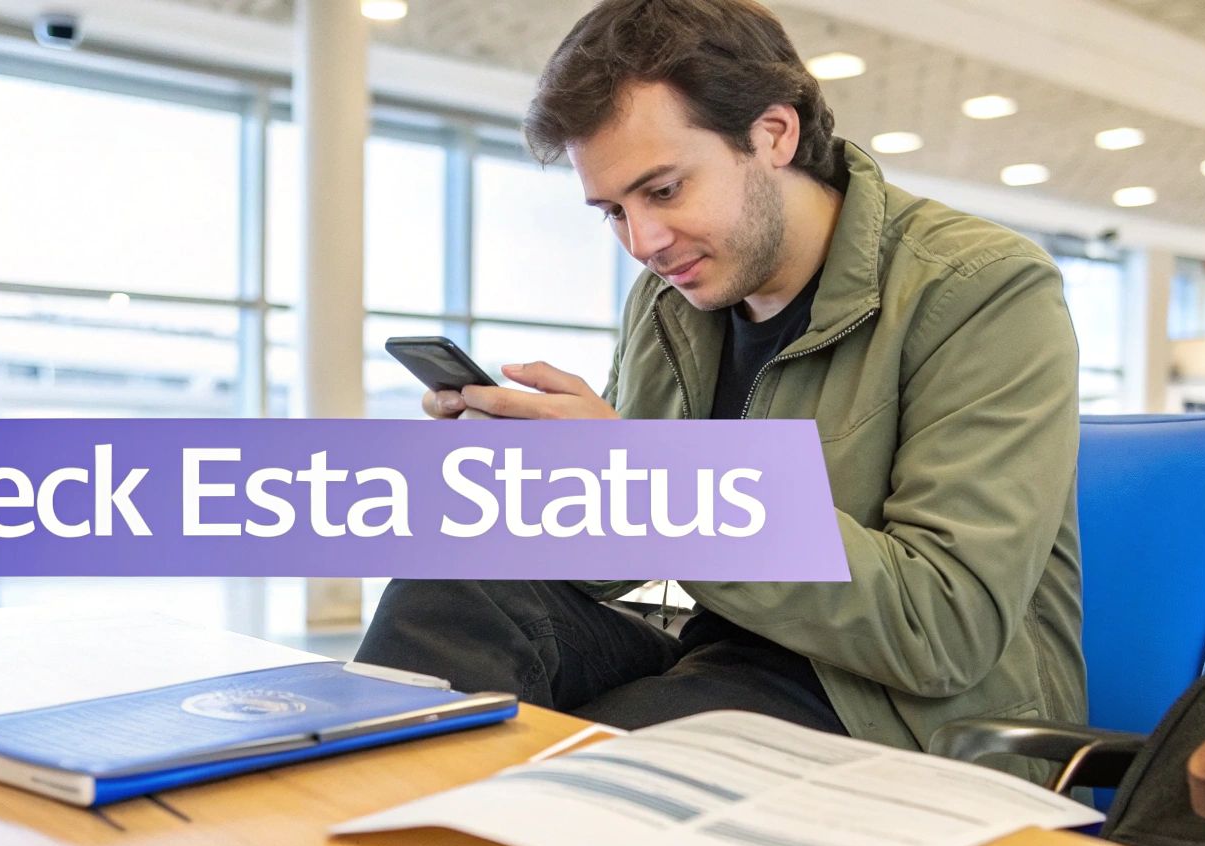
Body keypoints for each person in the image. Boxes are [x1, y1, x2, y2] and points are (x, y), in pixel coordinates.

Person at [356, 0, 1085, 775]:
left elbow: (941, 629)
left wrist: (658, 483)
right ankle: (352, 818)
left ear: (774, 134)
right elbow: (624, 565)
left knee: (587, 767)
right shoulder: (670, 299)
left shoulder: (982, 288)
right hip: (714, 652)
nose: (643, 242)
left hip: (905, 710)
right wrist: (552, 485)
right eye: (613, 211)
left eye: (664, 191)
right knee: (454, 583)